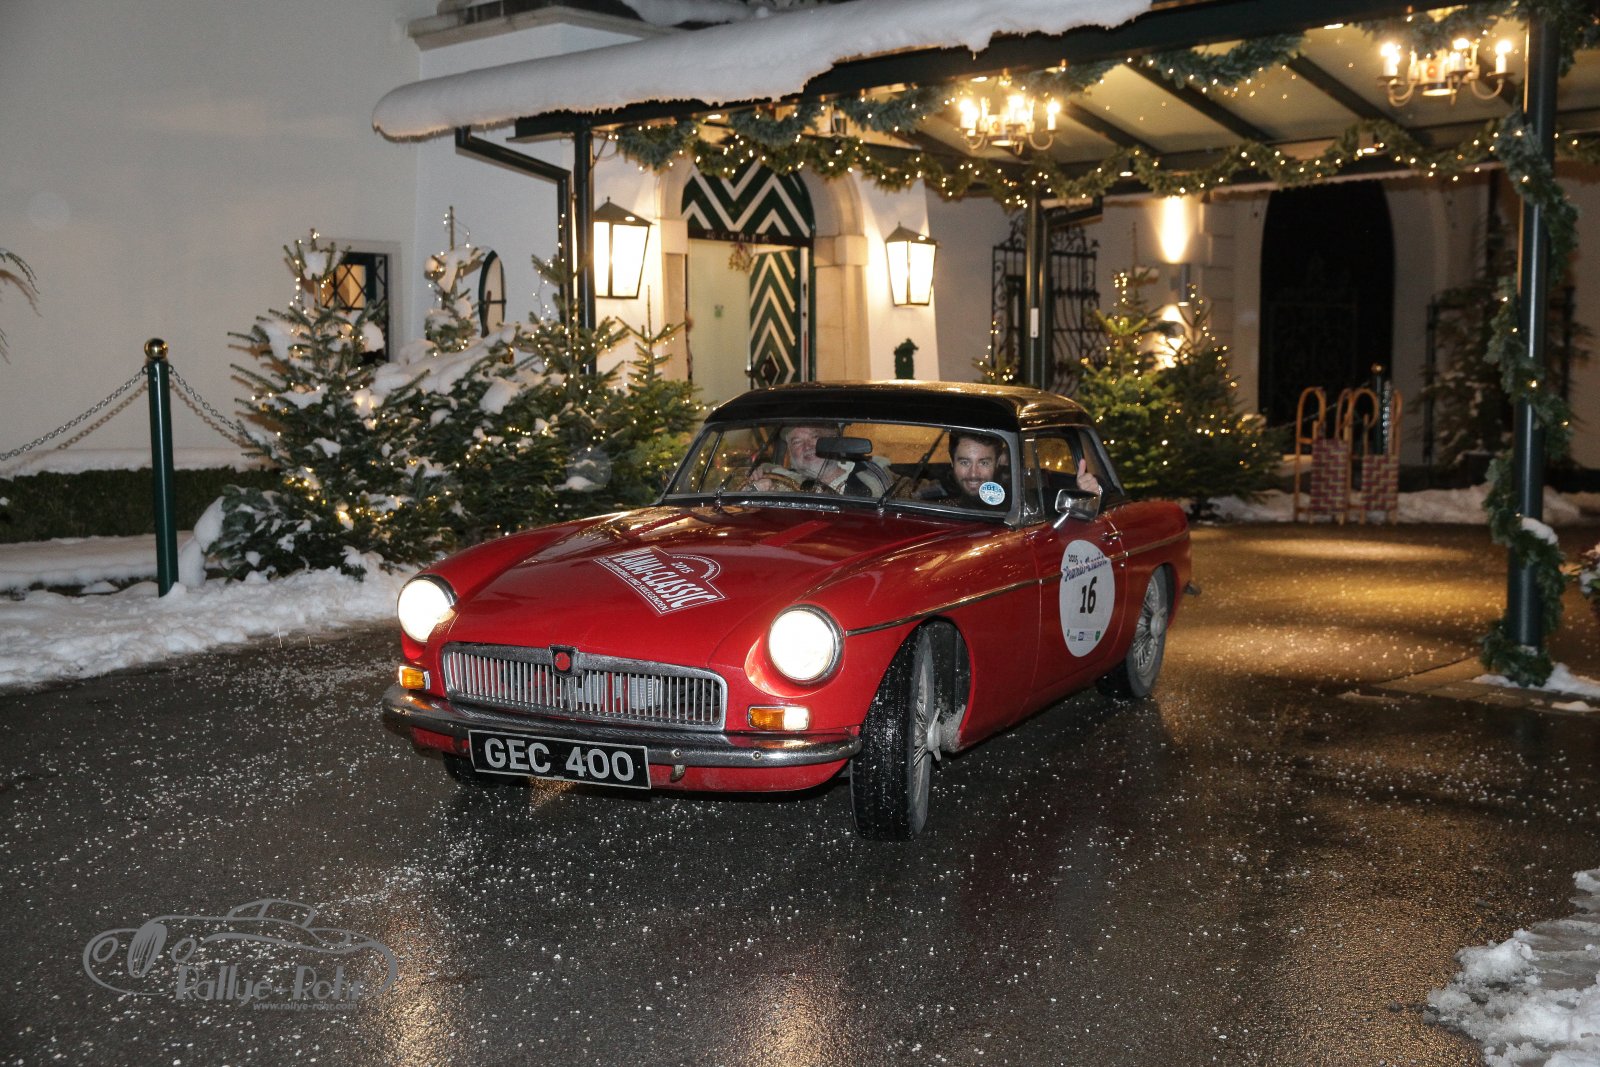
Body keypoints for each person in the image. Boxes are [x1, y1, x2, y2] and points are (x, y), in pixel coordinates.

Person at [746, 423, 890, 496]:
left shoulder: (870, 478)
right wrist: (756, 487)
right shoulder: (782, 480)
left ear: (833, 440)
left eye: (815, 437)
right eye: (797, 442)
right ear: (790, 453)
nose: (807, 446)